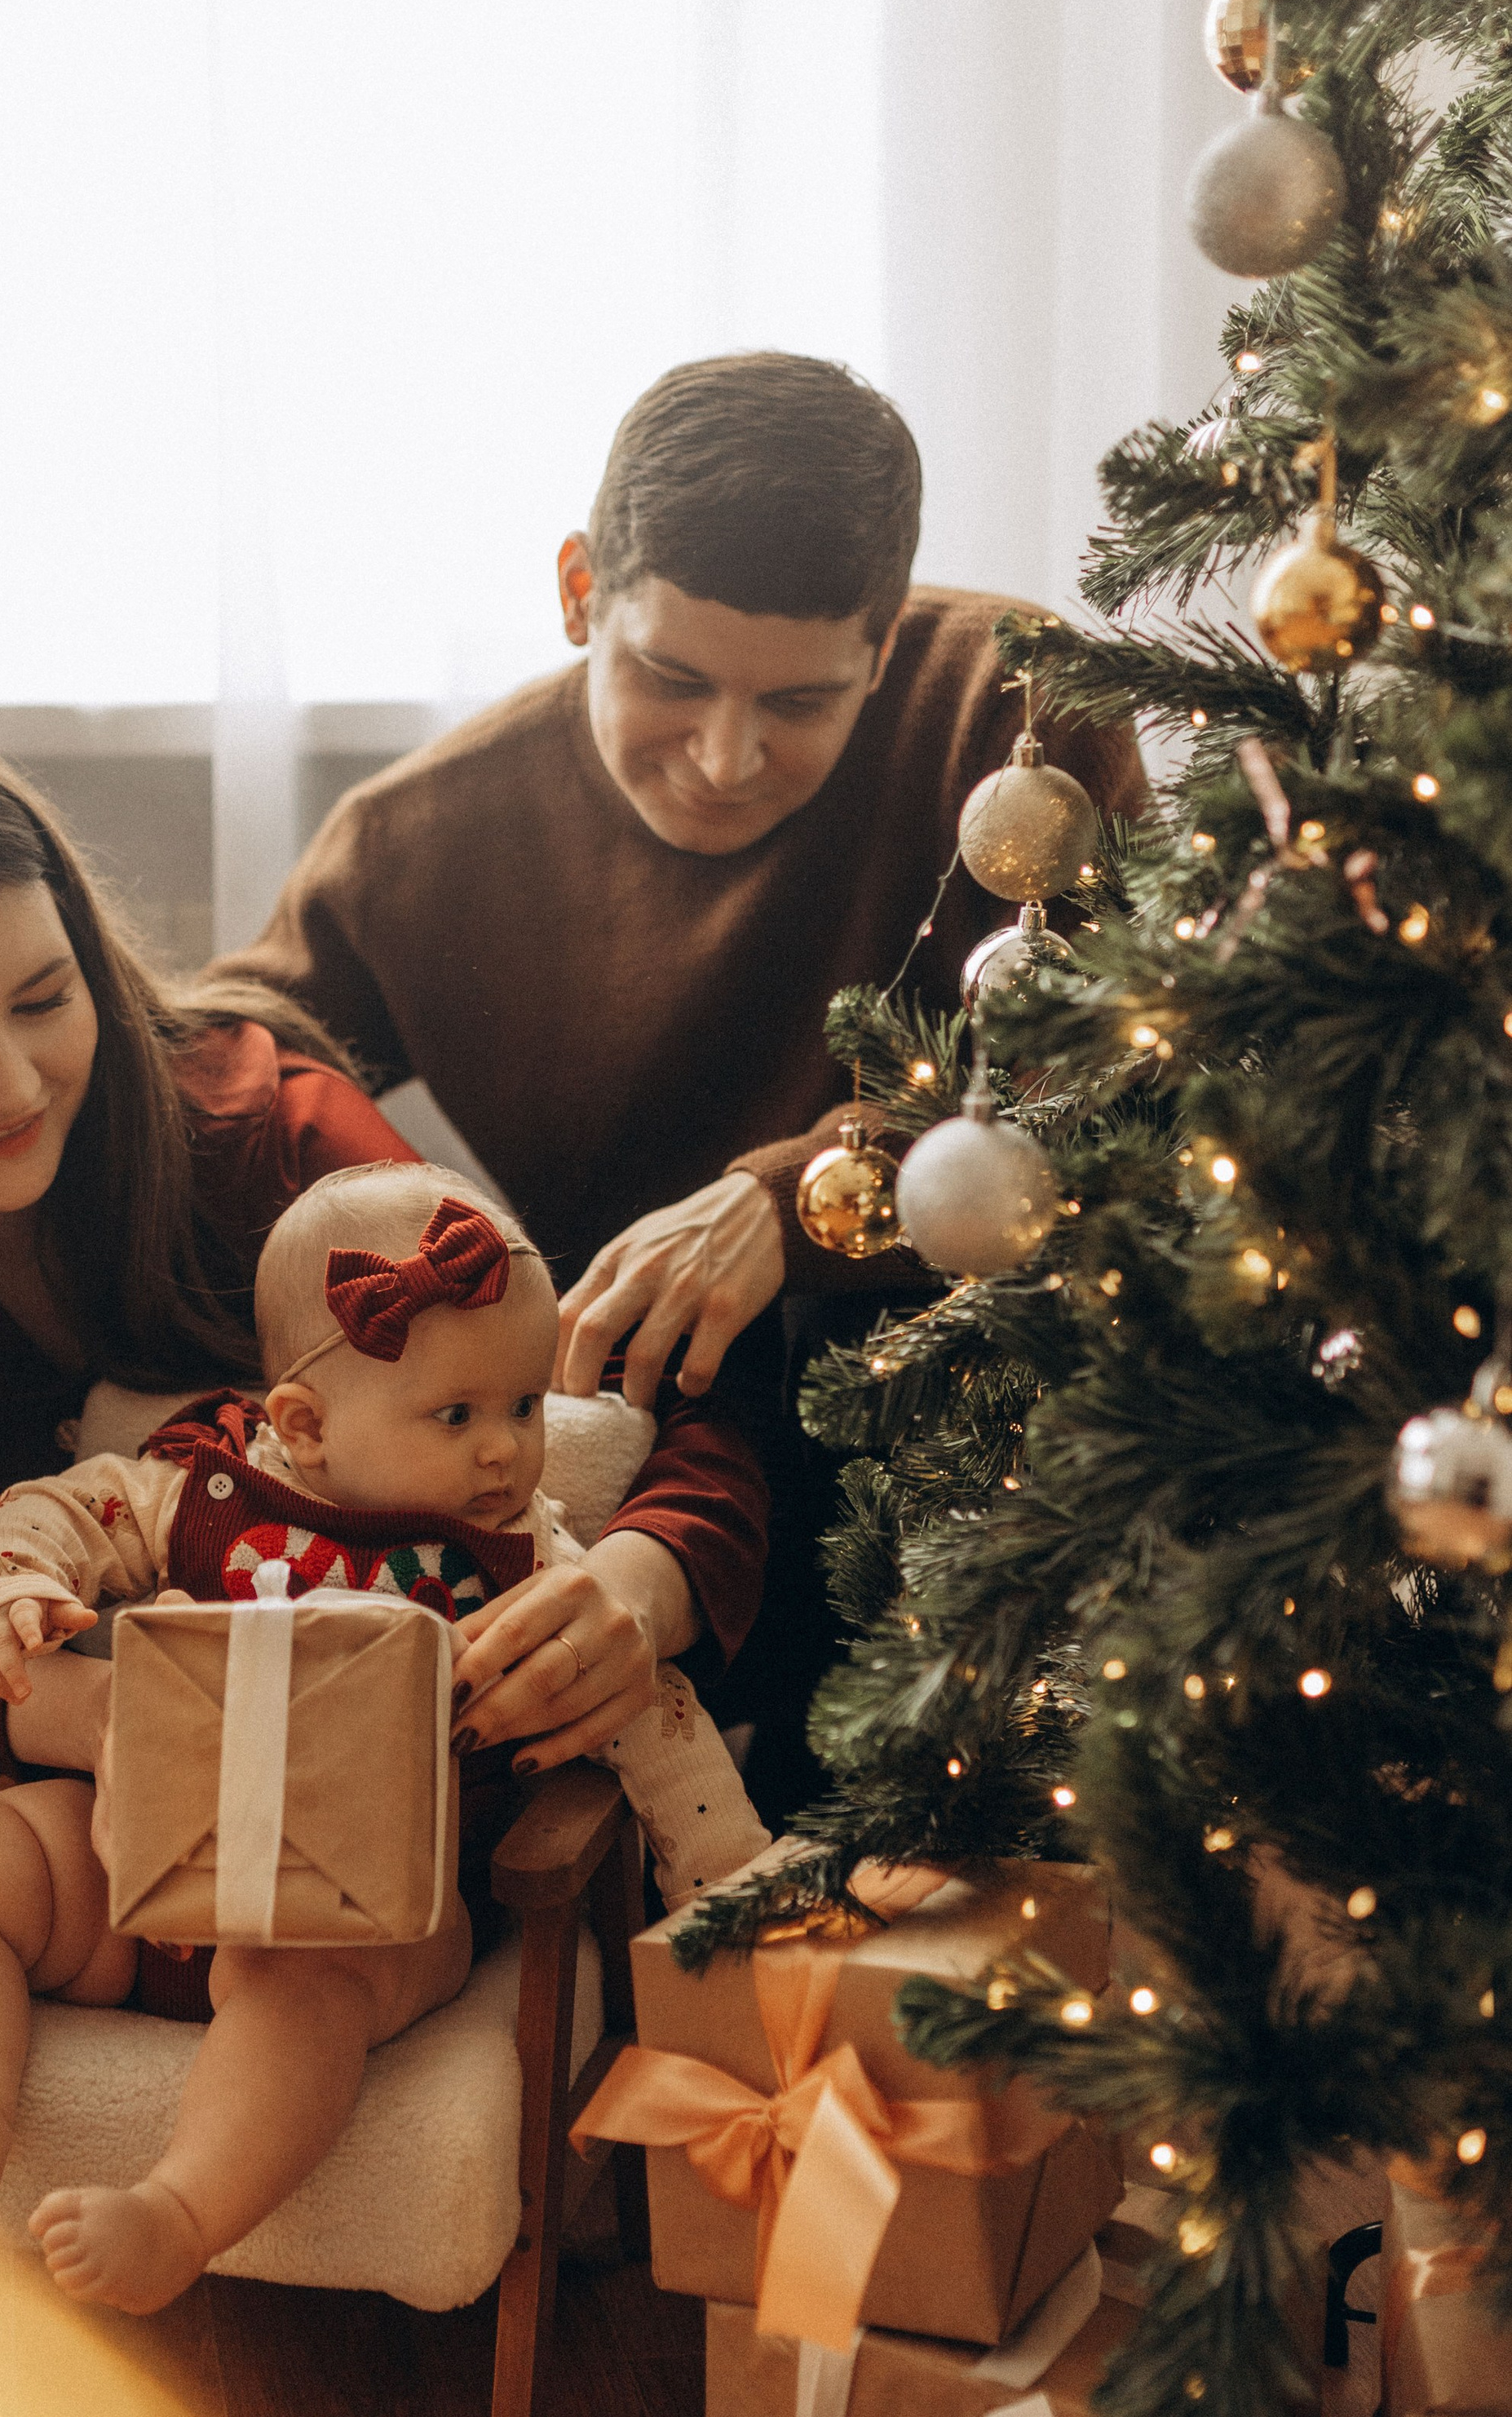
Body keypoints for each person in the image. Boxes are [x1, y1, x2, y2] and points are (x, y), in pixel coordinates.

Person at [0, 719, 769, 2021]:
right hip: (83, 1836)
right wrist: (101, 1715)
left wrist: (637, 1591)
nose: (12, 1082)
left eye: (44, 999)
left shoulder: (272, 1136)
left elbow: (639, 1411)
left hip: (402, 1847)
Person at [201, 352, 1147, 1811]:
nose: (723, 756)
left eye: (799, 702)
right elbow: (232, 1063)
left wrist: (797, 1198)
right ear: (580, 592)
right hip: (650, 1416)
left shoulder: (1016, 723)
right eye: (672, 679)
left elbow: (1117, 1075)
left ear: (883, 645)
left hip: (970, 1409)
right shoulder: (419, 839)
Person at [0, 1164, 771, 2309]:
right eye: (458, 1416)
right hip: (141, 1865)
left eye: (525, 1408)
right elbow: (57, 1508)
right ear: (304, 1425)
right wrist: (12, 1588)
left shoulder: (528, 1568)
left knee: (308, 1988)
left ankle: (177, 2211)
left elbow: (650, 1716)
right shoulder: (199, 1485)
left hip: (367, 1904)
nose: (506, 1451)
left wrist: (732, 1884)